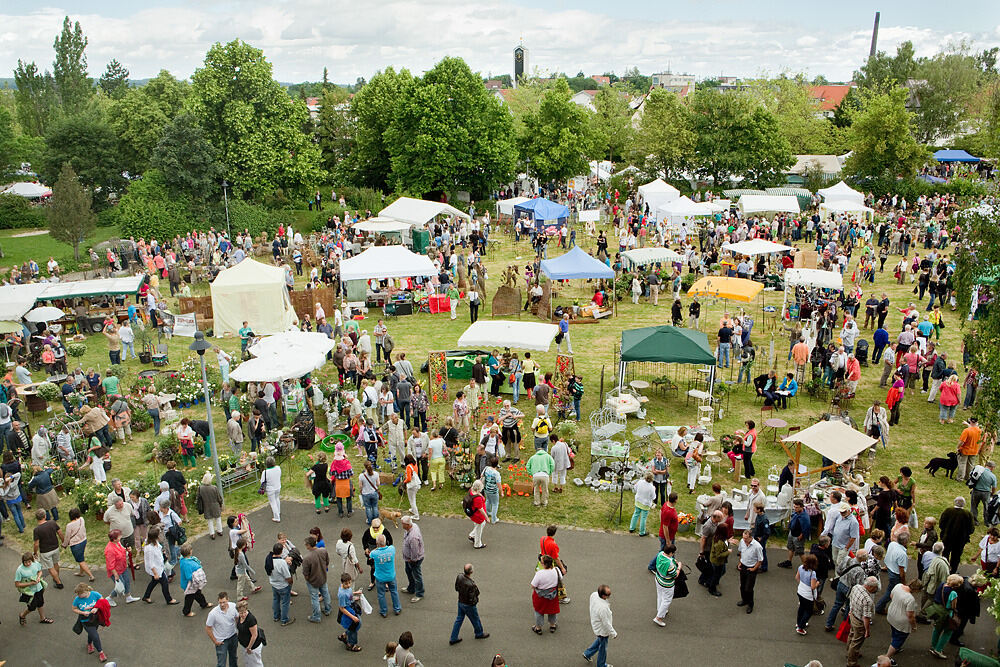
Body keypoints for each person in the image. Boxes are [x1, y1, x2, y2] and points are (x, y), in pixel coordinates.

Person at [450, 562, 489, 644]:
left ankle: (453, 637)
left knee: (459, 619)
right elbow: (475, 595)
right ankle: (479, 633)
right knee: (475, 619)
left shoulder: (459, 577)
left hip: (461, 601)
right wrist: (474, 602)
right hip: (468, 605)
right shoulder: (471, 585)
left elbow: (456, 588)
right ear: (471, 572)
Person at [846, 576, 879, 667]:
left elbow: (851, 599)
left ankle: (849, 652)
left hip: (853, 616)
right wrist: (867, 630)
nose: (876, 589)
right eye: (875, 587)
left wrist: (851, 610)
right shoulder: (867, 600)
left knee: (852, 634)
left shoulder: (856, 587)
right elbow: (866, 617)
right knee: (856, 642)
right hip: (859, 621)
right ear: (870, 587)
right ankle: (851, 662)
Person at [885, 578, 922, 661]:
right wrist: (914, 626)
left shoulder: (898, 586)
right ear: (916, 589)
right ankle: (887, 657)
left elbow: (891, 596)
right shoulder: (910, 599)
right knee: (898, 639)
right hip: (901, 622)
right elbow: (910, 616)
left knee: (894, 632)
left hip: (892, 615)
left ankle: (894, 648)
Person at [930, 574, 965, 658]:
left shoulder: (942, 585)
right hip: (947, 613)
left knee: (937, 629)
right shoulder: (953, 593)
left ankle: (933, 646)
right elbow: (953, 606)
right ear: (957, 585)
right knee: (948, 632)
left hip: (937, 610)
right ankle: (938, 650)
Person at [72, 582, 108, 662]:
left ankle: (89, 643)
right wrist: (83, 612)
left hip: (96, 619)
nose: (78, 595)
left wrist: (96, 608)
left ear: (85, 592)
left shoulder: (95, 594)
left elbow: (103, 601)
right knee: (95, 636)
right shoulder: (77, 599)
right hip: (85, 621)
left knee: (92, 633)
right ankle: (101, 652)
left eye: (79, 594)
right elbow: (74, 608)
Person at [876, 532, 910, 614]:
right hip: (895, 574)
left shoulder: (892, 544)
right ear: (905, 542)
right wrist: (903, 582)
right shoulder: (902, 554)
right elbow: (901, 571)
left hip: (890, 568)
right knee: (890, 592)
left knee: (890, 590)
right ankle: (879, 607)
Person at [583, 584, 616, 667]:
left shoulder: (594, 595)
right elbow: (606, 623)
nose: (609, 596)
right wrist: (613, 633)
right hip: (602, 629)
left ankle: (588, 653)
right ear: (603, 595)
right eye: (608, 595)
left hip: (596, 624)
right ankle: (601, 664)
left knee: (600, 640)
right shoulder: (603, 608)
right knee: (603, 648)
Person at [141, 527, 176, 604]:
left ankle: (146, 596)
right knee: (164, 583)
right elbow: (150, 563)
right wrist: (155, 573)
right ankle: (169, 599)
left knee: (154, 582)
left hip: (159, 566)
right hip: (156, 569)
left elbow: (159, 549)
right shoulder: (149, 549)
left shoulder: (155, 542)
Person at [16, 551, 53, 625]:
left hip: (38, 588)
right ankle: (22, 615)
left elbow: (40, 572)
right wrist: (31, 583)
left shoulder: (35, 564)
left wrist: (38, 577)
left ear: (32, 560)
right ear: (23, 561)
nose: (28, 564)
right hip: (29, 591)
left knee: (41, 603)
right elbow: (17, 584)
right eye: (25, 562)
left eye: (29, 562)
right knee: (32, 607)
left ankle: (42, 618)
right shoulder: (19, 570)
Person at [302, 534, 332, 623]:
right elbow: (327, 562)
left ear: (308, 545)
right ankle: (328, 609)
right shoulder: (323, 551)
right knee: (325, 593)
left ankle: (316, 616)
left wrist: (308, 579)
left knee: (314, 598)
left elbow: (305, 573)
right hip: (323, 577)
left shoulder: (307, 558)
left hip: (313, 581)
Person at [940, 497, 974, 573]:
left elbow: (941, 524)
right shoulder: (968, 514)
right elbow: (971, 529)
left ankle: (944, 570)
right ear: (964, 504)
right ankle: (953, 572)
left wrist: (944, 531)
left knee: (945, 554)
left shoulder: (948, 511)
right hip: (960, 540)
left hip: (947, 538)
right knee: (956, 557)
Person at [32, 508, 64, 590]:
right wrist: (63, 542)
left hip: (45, 551)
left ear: (37, 518)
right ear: (45, 516)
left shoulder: (37, 530)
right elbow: (60, 533)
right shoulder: (52, 523)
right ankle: (57, 577)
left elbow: (36, 544)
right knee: (56, 563)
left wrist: (35, 552)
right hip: (55, 547)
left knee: (50, 568)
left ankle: (58, 583)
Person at [205, 591, 239, 667]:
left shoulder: (233, 606)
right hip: (221, 641)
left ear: (228, 600)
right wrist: (215, 641)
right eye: (220, 602)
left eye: (224, 602)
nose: (222, 605)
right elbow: (208, 628)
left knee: (233, 658)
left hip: (233, 637)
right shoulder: (213, 613)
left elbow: (237, 618)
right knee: (221, 663)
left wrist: (238, 630)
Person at [530, 554, 562, 634]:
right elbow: (560, 578)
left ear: (544, 564)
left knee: (539, 611)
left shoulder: (539, 573)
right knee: (552, 610)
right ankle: (552, 625)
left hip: (541, 597)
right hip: (553, 595)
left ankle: (538, 628)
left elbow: (533, 585)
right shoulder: (556, 570)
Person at [371, 533, 401, 617]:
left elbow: (370, 555)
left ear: (377, 543)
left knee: (381, 594)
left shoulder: (374, 553)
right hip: (391, 575)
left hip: (380, 577)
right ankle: (397, 608)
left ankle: (384, 611)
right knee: (394, 591)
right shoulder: (392, 549)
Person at [651, 542, 679, 627]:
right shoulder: (669, 564)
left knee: (660, 596)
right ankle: (658, 617)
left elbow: (667, 561)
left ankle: (661, 610)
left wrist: (673, 561)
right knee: (667, 600)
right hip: (667, 584)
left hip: (658, 579)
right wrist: (679, 567)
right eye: (673, 553)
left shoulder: (660, 554)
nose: (673, 554)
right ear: (670, 553)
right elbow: (674, 575)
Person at [62, 507, 95, 581]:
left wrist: (64, 544)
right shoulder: (81, 519)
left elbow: (67, 537)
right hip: (83, 540)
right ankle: (81, 572)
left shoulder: (69, 525)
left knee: (80, 560)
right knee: (81, 557)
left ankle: (91, 575)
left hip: (75, 544)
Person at [178, 543, 211, 616]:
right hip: (190, 585)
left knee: (197, 594)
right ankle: (186, 611)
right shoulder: (187, 564)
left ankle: (203, 604)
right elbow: (189, 576)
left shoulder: (183, 560)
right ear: (189, 552)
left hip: (192, 584)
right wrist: (198, 578)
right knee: (189, 597)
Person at [268, 541, 295, 625]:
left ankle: (276, 616)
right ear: (281, 551)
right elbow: (287, 576)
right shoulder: (282, 563)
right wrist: (291, 582)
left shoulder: (269, 559)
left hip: (273, 584)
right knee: (285, 603)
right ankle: (284, 620)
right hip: (283, 585)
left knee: (276, 599)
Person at [794, 553, 820, 634]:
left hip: (800, 591)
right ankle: (801, 627)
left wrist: (802, 584)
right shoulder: (813, 573)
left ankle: (798, 623)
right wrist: (817, 584)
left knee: (801, 608)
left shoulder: (800, 567)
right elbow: (813, 587)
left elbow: (797, 578)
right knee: (809, 611)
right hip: (808, 595)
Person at [236, 599, 265, 666]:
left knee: (256, 664)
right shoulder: (239, 617)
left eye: (244, 612)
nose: (243, 615)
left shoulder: (251, 619)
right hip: (245, 645)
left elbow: (254, 635)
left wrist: (249, 648)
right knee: (248, 662)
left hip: (253, 647)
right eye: (241, 613)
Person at [629, 472, 657, 536]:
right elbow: (654, 497)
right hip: (645, 504)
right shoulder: (651, 487)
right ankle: (641, 532)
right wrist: (654, 490)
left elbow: (635, 488)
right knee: (643, 518)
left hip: (638, 501)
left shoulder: (640, 482)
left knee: (635, 514)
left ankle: (631, 528)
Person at [199, 472, 224, 538]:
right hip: (215, 505)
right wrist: (221, 503)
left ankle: (212, 533)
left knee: (210, 521)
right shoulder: (214, 488)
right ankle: (220, 531)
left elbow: (199, 498)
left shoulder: (200, 488)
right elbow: (219, 497)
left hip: (206, 506)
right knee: (218, 519)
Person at [262, 456, 282, 522]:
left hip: (270, 489)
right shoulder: (278, 468)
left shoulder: (265, 472)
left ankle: (277, 517)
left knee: (272, 502)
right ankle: (278, 512)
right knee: (277, 499)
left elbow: (262, 481)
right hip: (278, 486)